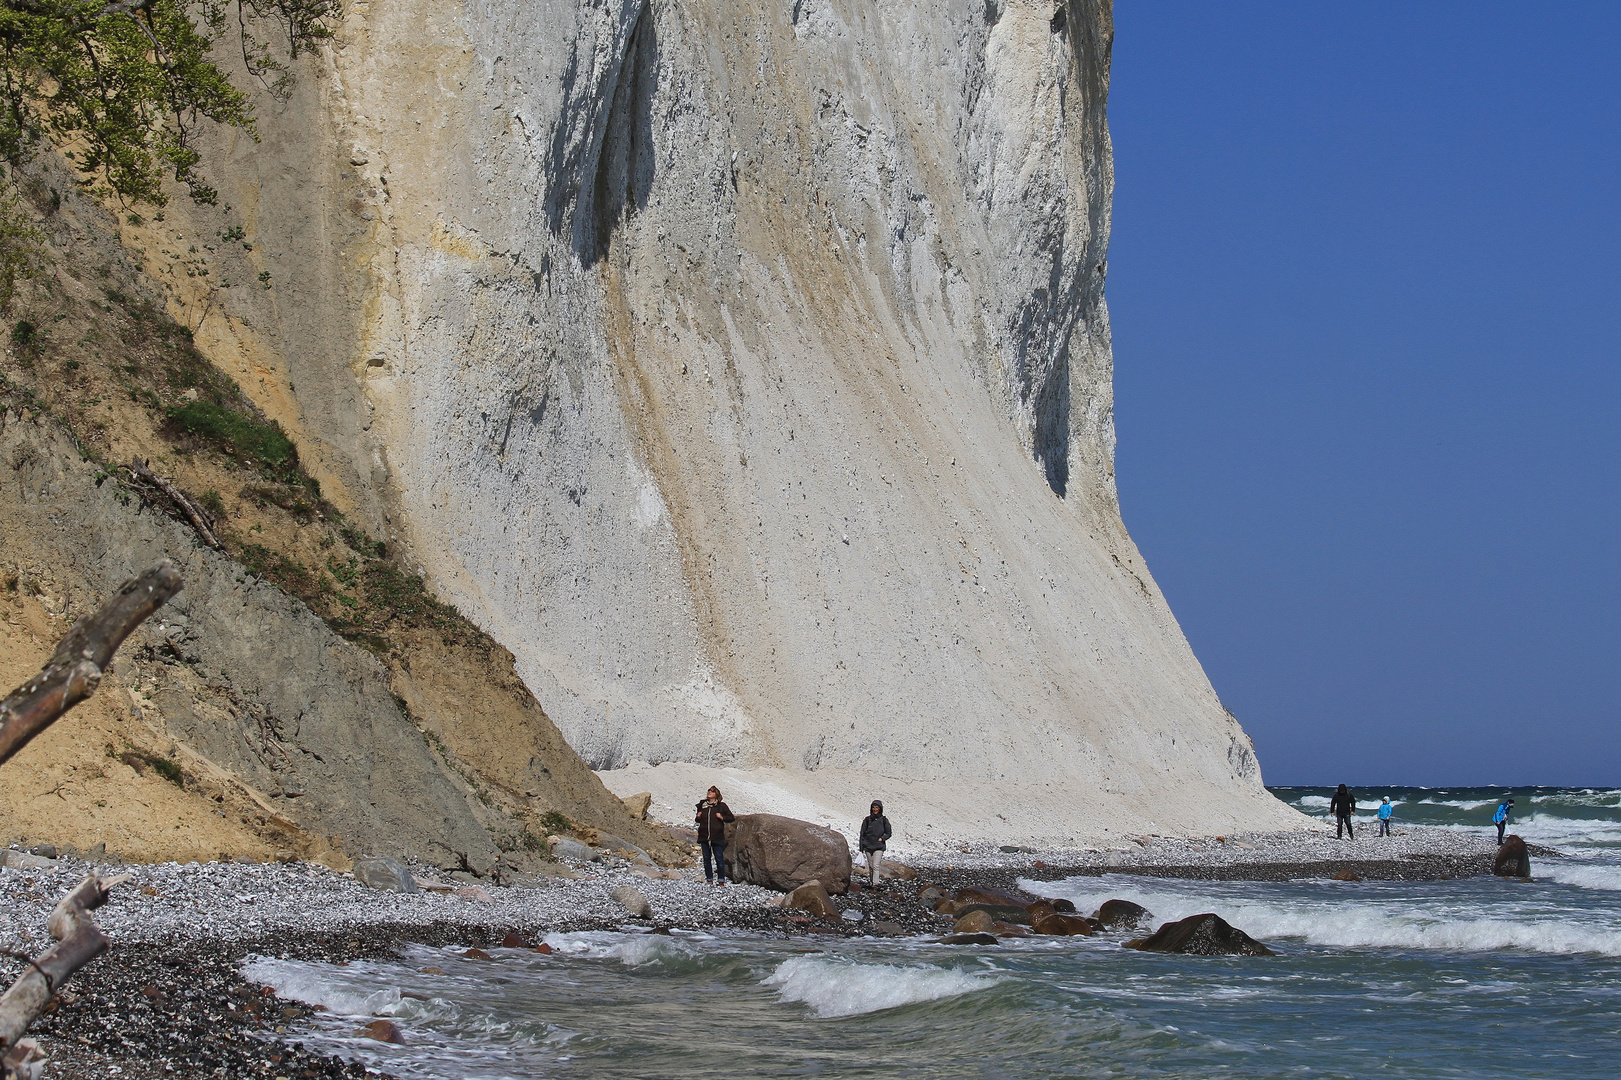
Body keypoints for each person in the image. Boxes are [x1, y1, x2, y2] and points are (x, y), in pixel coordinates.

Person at [694, 786, 734, 885]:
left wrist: (722, 817)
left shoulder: (721, 806)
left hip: (717, 836)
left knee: (719, 858)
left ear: (716, 794)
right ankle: (709, 879)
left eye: (711, 792)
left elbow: (731, 818)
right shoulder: (702, 805)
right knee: (706, 858)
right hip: (704, 835)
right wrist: (698, 817)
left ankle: (721, 880)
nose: (709, 793)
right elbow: (697, 820)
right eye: (708, 791)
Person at [858, 799, 892, 888]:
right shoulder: (867, 820)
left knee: (876, 865)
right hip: (868, 846)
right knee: (871, 866)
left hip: (879, 846)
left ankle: (875, 883)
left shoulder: (884, 820)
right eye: (873, 807)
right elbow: (862, 834)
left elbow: (889, 833)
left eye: (877, 807)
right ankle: (872, 881)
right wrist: (861, 847)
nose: (875, 809)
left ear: (880, 809)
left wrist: (882, 838)